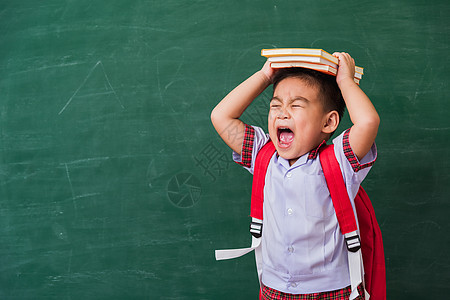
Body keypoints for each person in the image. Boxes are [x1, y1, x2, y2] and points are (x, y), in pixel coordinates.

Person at [211, 52, 380, 299]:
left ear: (329, 122)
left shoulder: (338, 162)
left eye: (296, 105)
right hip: (273, 287)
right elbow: (221, 116)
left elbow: (367, 122)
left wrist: (345, 81)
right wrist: (265, 76)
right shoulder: (263, 156)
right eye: (275, 105)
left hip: (331, 290)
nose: (282, 113)